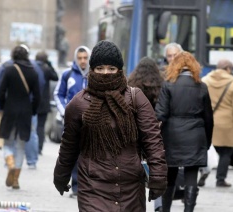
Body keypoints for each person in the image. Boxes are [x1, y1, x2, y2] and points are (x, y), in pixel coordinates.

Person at [53, 41, 167, 211]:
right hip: (93, 186)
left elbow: (152, 139)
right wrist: (61, 176)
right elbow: (69, 145)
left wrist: (158, 177)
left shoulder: (136, 98)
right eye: (100, 68)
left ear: (119, 70)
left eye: (111, 69)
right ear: (92, 70)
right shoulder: (78, 103)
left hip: (130, 187)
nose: (105, 73)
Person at [156, 51, 214, 212]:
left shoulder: (168, 85)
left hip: (172, 135)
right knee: (191, 175)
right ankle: (188, 210)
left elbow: (160, 114)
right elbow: (209, 117)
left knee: (170, 175)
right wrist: (207, 142)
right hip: (196, 135)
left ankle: (165, 209)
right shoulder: (201, 87)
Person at [0, 45, 40, 189]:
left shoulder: (9, 70)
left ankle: (10, 164)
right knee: (21, 146)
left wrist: (4, 106)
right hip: (25, 112)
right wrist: (32, 110)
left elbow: (1, 92)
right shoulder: (33, 73)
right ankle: (15, 179)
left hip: (10, 109)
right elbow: (37, 97)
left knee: (8, 143)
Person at [53, 45, 91, 197]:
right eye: (80, 58)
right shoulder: (67, 74)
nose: (82, 61)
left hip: (90, 123)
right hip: (72, 123)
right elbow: (58, 94)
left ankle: (87, 186)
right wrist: (64, 112)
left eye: (85, 58)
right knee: (73, 154)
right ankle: (76, 187)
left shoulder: (95, 74)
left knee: (88, 154)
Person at [128, 57, 164, 212]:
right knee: (156, 163)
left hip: (136, 131)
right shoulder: (162, 85)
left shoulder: (132, 86)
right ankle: (158, 202)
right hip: (155, 130)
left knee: (137, 163)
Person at [202, 59, 233, 187]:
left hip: (207, 121)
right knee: (225, 152)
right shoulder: (231, 82)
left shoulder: (205, 81)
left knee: (206, 150)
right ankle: (220, 179)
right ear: (227, 69)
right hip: (226, 123)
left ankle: (203, 173)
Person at [34, 51, 58, 155]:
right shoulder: (46, 69)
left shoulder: (32, 68)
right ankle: (39, 148)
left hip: (33, 101)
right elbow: (55, 77)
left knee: (32, 126)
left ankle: (31, 147)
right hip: (43, 102)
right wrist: (50, 64)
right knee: (41, 126)